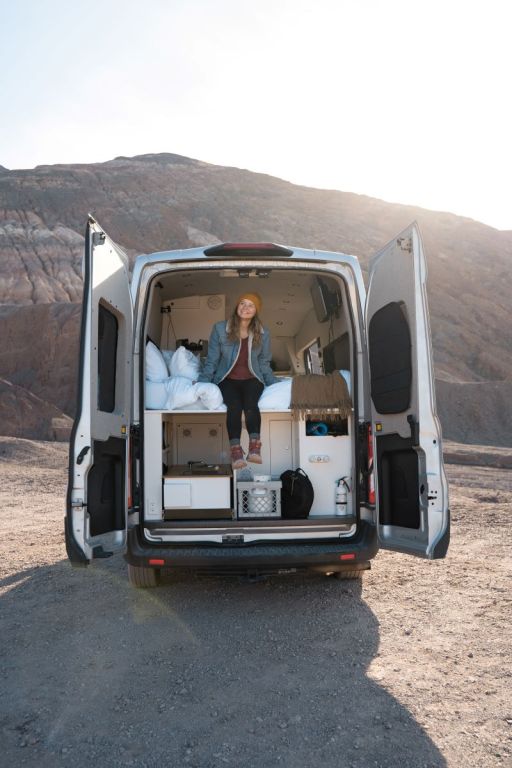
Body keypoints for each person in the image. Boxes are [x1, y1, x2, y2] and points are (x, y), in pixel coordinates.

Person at [198, 292, 278, 469]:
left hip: (253, 378)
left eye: (251, 305)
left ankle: (255, 448)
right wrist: (202, 382)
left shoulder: (263, 333)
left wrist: (274, 384)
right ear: (237, 306)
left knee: (250, 404)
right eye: (242, 303)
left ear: (256, 310)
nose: (246, 308)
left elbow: (264, 362)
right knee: (234, 406)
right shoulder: (220, 329)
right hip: (227, 379)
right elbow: (212, 359)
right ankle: (236, 452)